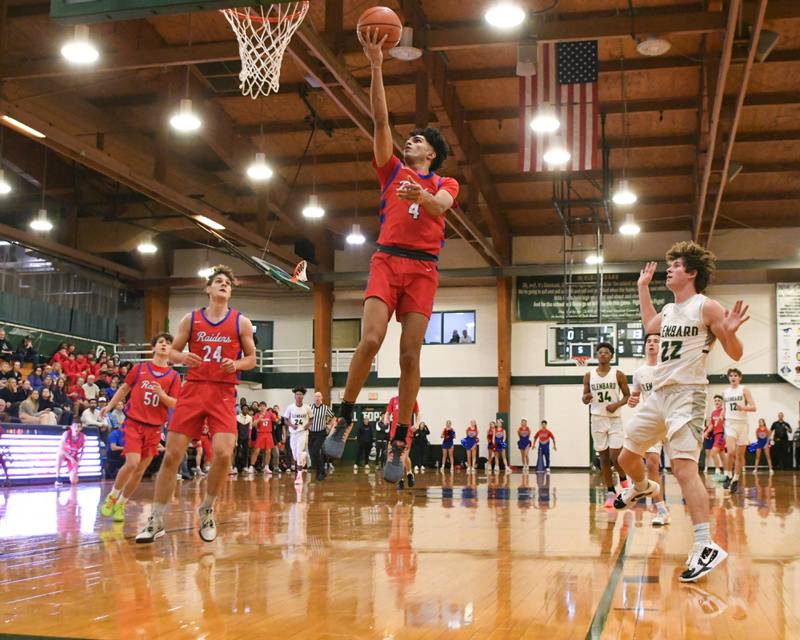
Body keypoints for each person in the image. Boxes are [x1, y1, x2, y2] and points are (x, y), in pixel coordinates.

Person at [323, 26, 460, 487]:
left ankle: (399, 438)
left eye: (420, 140)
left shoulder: (444, 184)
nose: (410, 142)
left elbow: (442, 207)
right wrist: (377, 66)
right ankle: (343, 415)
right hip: (386, 259)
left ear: (434, 152)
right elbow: (381, 122)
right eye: (411, 139)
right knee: (370, 340)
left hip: (422, 269)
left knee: (409, 355)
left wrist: (418, 189)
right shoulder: (391, 172)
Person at [613, 242, 750, 582]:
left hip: (688, 396)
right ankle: (643, 487)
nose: (669, 269)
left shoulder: (707, 306)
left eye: (675, 266)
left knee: (684, 467)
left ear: (691, 273)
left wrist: (730, 335)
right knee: (627, 459)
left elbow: (734, 354)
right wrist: (642, 288)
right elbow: (650, 325)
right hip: (658, 395)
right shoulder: (670, 310)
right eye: (668, 265)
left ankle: (705, 544)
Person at [136, 265, 256, 544]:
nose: (224, 285)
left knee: (225, 454)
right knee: (171, 456)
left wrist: (236, 363)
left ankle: (207, 508)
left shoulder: (241, 322)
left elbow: (251, 359)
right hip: (193, 390)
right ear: (208, 289)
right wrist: (182, 357)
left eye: (228, 282)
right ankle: (156, 518)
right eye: (218, 281)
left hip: (223, 393)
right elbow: (174, 351)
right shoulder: (191, 320)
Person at [99, 333, 181, 523]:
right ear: (153, 347)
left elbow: (175, 403)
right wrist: (110, 406)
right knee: (132, 463)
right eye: (161, 342)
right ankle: (112, 496)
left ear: (171, 351)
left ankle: (122, 503)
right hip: (134, 423)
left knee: (139, 470)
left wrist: (161, 394)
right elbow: (124, 389)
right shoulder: (140, 368)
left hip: (154, 428)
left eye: (168, 344)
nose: (164, 345)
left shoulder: (174, 377)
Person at [628, 333, 670, 526]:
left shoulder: (668, 367)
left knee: (680, 467)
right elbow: (635, 396)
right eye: (649, 341)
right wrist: (631, 400)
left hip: (672, 420)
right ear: (645, 346)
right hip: (653, 423)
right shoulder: (639, 373)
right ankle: (661, 509)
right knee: (652, 464)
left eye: (656, 341)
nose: (652, 344)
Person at [582, 342, 630, 508]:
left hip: (614, 419)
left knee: (616, 457)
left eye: (606, 352)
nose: (603, 354)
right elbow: (584, 398)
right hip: (597, 419)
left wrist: (616, 405)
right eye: (600, 352)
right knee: (603, 458)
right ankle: (610, 491)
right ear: (596, 355)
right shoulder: (589, 375)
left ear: (611, 356)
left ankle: (624, 483)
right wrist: (586, 398)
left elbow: (627, 396)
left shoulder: (619, 374)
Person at [722, 368, 756, 493]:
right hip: (730, 423)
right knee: (730, 451)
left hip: (742, 424)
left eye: (735, 375)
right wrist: (722, 414)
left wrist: (743, 408)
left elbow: (754, 407)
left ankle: (736, 479)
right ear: (728, 378)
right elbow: (725, 407)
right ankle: (728, 475)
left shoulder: (744, 390)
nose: (733, 377)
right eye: (731, 375)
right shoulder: (725, 392)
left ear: (740, 377)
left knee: (740, 455)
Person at [385, 394, 420, 488]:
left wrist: (417, 424)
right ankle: (401, 479)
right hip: (394, 433)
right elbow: (387, 413)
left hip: (407, 432)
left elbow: (418, 414)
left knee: (404, 456)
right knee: (398, 456)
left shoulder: (412, 399)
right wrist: (386, 419)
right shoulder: (393, 400)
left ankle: (409, 473)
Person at [284, 387, 314, 485]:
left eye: (301, 394)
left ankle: (299, 476)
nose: (299, 396)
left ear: (303, 396)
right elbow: (285, 420)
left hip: (302, 433)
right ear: (295, 396)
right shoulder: (290, 407)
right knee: (295, 456)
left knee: (298, 452)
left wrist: (307, 425)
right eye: (297, 394)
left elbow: (311, 419)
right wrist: (292, 425)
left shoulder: (307, 407)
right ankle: (304, 456)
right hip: (293, 433)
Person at [308, 392, 334, 481]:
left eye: (319, 396)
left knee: (316, 451)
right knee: (312, 453)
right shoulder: (310, 407)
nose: (317, 398)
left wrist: (329, 425)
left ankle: (320, 473)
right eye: (316, 396)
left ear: (322, 398)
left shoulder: (325, 408)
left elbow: (333, 417)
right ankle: (322, 471)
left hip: (321, 433)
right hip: (311, 433)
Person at [703, 395, 726, 479]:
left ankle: (718, 471)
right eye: (715, 400)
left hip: (722, 434)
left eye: (719, 400)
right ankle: (728, 474)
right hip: (716, 435)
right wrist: (706, 432)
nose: (717, 402)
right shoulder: (713, 413)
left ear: (722, 402)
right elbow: (712, 425)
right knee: (722, 456)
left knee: (713, 452)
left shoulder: (724, 411)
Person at [248, 404, 273, 475]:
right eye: (261, 406)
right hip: (260, 434)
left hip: (268, 434)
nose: (262, 407)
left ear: (266, 407)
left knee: (268, 451)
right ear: (259, 408)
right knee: (256, 450)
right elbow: (253, 425)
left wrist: (278, 417)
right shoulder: (257, 415)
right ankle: (251, 466)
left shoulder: (270, 414)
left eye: (264, 406)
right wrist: (259, 419)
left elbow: (277, 420)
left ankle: (266, 467)